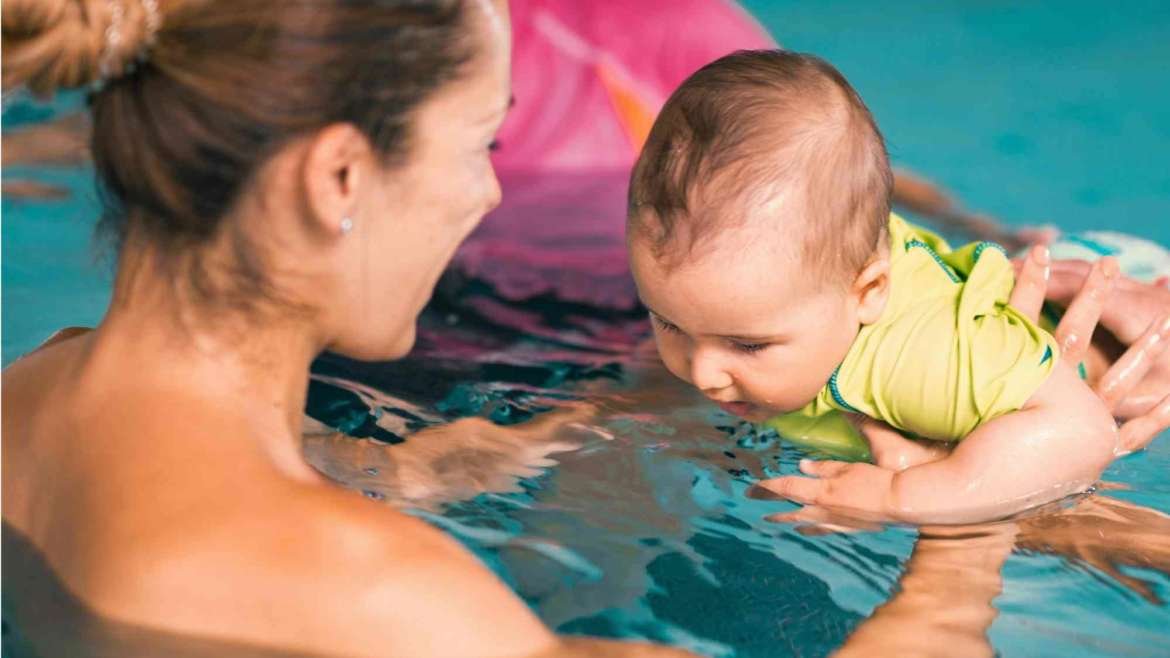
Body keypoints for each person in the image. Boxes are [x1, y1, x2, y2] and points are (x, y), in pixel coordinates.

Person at [0, 1, 695, 655]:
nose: (488, 192)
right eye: (483, 142)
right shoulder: (379, 589)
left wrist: (399, 469)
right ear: (338, 177)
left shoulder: (26, 393)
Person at [625, 49, 1170, 524]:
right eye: (669, 322)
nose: (701, 373)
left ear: (868, 293)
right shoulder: (783, 284)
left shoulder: (919, 363)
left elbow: (1084, 434)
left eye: (746, 344)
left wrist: (905, 495)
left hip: (1134, 319)